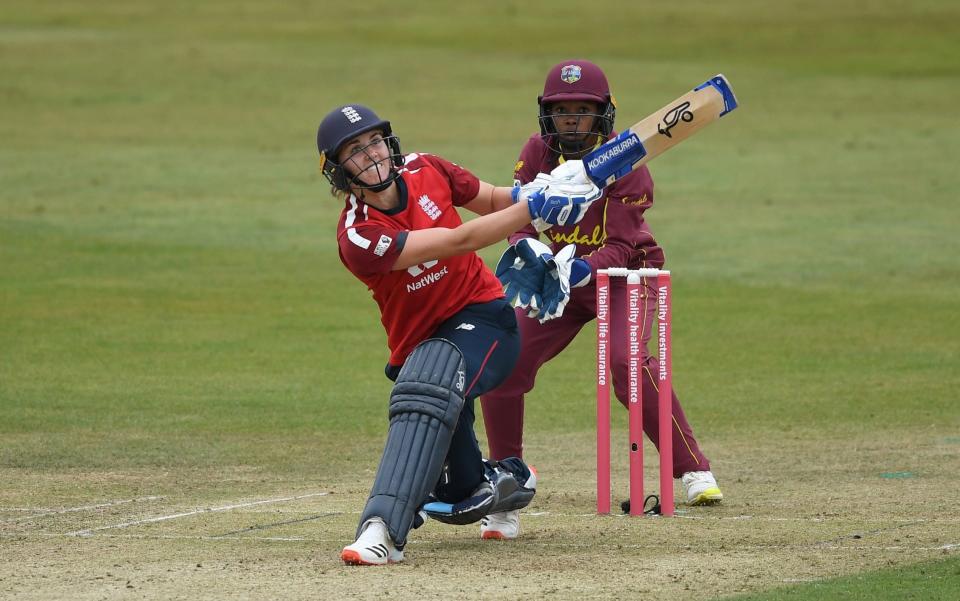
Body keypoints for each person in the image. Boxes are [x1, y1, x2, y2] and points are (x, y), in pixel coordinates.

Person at [315, 104, 600, 565]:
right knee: (461, 489)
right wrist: (533, 207)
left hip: (485, 319)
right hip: (422, 345)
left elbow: (491, 199)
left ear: (389, 143)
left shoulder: (428, 168)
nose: (371, 156)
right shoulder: (360, 236)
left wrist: (544, 191)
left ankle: (382, 530)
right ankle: (509, 480)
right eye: (354, 151)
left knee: (424, 386)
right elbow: (458, 241)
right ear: (338, 171)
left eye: (373, 142)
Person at [479, 60, 723, 540]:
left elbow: (622, 244)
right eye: (563, 110)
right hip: (558, 283)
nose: (572, 120)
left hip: (625, 275)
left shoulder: (626, 162)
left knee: (626, 363)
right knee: (503, 366)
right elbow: (519, 217)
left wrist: (578, 267)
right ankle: (505, 491)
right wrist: (529, 254)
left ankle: (692, 468)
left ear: (602, 115)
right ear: (547, 114)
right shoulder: (536, 152)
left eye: (582, 111)